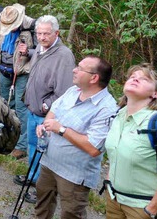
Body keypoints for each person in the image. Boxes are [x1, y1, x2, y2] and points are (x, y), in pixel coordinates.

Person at [34, 56, 118, 218]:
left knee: (71, 214)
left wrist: (61, 129)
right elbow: (52, 114)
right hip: (49, 163)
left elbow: (94, 149)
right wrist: (44, 126)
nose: (74, 70)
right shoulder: (73, 91)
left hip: (74, 175)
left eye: (80, 68)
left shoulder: (107, 108)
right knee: (41, 207)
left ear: (94, 78)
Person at [18, 15, 75, 203]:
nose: (41, 37)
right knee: (33, 147)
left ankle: (43, 191)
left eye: (46, 34)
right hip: (32, 111)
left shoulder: (64, 56)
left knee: (46, 153)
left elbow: (65, 91)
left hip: (46, 115)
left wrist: (46, 105)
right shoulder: (41, 49)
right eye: (39, 33)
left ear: (56, 33)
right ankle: (33, 180)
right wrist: (28, 52)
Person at [105, 64, 157, 219]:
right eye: (132, 77)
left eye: (144, 79)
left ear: (155, 93)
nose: (135, 79)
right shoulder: (118, 116)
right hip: (114, 201)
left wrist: (151, 210)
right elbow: (114, 155)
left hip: (143, 208)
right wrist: (108, 184)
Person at [0, 3, 35, 160]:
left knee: (21, 107)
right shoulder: (1, 23)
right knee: (4, 105)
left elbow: (42, 50)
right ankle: (5, 138)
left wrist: (28, 52)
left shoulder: (32, 27)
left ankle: (21, 145)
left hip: (22, 72)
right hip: (4, 69)